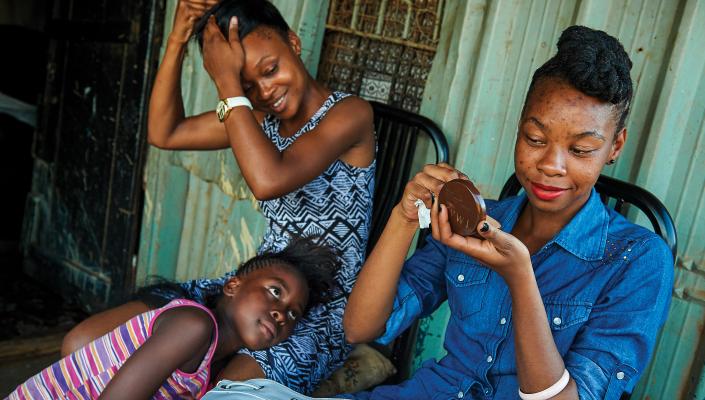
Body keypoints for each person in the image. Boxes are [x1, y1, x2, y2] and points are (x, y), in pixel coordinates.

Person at [61, 0, 375, 394]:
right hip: (259, 285)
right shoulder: (257, 117)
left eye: (270, 70)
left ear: (294, 43)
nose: (264, 91)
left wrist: (228, 82)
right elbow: (166, 132)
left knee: (221, 394)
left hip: (315, 308)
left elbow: (268, 180)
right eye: (247, 86)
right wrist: (177, 38)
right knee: (81, 344)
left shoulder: (349, 114)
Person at [342, 26, 673, 399]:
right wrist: (403, 218)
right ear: (519, 128)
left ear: (615, 146)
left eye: (580, 150)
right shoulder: (471, 222)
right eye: (535, 139)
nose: (551, 164)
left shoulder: (638, 260)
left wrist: (519, 277)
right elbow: (360, 329)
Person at [8, 237, 338, 400]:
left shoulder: (211, 364)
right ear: (233, 285)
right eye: (276, 292)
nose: (282, 314)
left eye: (294, 313)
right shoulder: (192, 325)